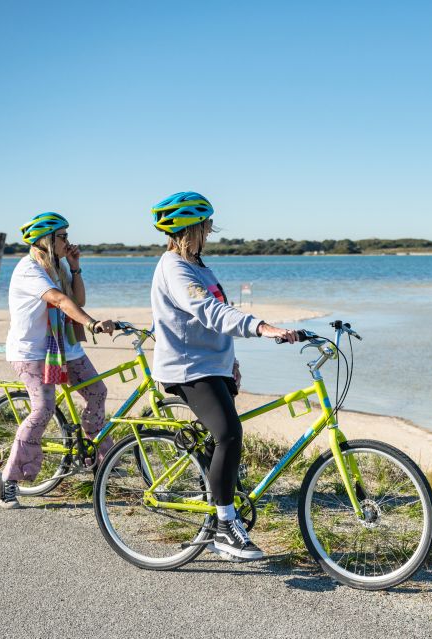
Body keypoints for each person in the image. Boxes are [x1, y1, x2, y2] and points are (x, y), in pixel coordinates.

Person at [149, 191, 297, 560]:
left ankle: (215, 507)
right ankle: (224, 529)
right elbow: (209, 312)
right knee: (230, 434)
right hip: (188, 368)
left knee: (219, 442)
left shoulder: (199, 266)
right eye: (205, 226)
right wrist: (263, 327)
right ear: (190, 229)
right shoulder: (175, 268)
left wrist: (229, 360)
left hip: (210, 365)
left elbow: (217, 315)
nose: (210, 231)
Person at [0, 212, 116, 508]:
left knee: (97, 392)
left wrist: (75, 268)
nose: (68, 241)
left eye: (66, 235)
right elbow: (61, 301)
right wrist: (91, 324)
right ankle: (9, 479)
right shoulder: (29, 269)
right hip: (32, 352)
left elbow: (78, 300)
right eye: (62, 236)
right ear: (45, 240)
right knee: (43, 409)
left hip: (64, 345)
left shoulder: (59, 265)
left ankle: (97, 456)